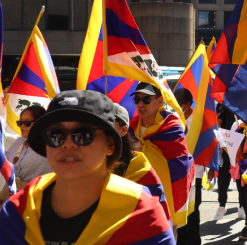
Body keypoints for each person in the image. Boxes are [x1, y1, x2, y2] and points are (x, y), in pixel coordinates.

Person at [0, 90, 174, 244]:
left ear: (110, 145)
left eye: (82, 135)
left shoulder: (142, 215)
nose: (67, 144)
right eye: (55, 135)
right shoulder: (18, 210)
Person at [129, 82, 195, 228]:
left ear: (159, 101)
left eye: (146, 99)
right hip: (139, 193)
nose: (140, 104)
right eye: (137, 100)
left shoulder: (171, 126)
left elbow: (181, 164)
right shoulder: (131, 128)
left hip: (165, 193)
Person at [111, 103, 171, 221]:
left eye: (109, 125)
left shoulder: (142, 171)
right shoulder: (92, 167)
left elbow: (159, 218)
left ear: (124, 130)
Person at [174, 88, 205, 245]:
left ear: (188, 104)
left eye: (179, 104)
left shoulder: (199, 119)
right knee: (180, 211)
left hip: (196, 172)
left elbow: (209, 143)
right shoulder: (174, 119)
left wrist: (212, 167)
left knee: (193, 211)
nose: (177, 107)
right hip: (179, 172)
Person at [4, 106, 51, 190]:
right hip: (13, 196)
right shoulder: (19, 141)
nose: (22, 126)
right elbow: (4, 160)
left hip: (37, 198)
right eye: (20, 122)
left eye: (27, 122)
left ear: (39, 123)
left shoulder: (50, 146)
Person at [214, 103, 243, 221]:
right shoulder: (223, 103)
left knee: (241, 176)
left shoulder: (244, 100)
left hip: (241, 144)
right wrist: (221, 142)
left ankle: (242, 207)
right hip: (226, 145)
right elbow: (218, 122)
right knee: (223, 177)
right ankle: (222, 205)